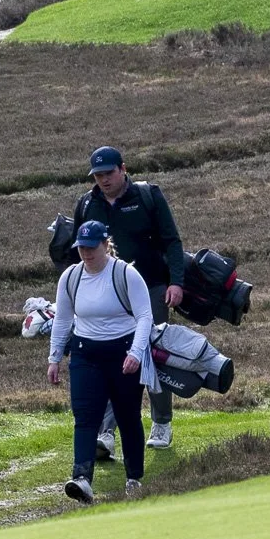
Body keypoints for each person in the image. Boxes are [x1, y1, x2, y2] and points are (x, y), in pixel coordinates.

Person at [69, 146, 186, 453]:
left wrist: (176, 283)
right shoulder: (86, 204)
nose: (103, 180)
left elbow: (172, 241)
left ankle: (162, 422)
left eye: (108, 173)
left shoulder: (148, 196)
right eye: (98, 175)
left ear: (123, 169)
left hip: (151, 287)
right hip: (110, 295)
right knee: (110, 356)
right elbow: (79, 250)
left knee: (153, 352)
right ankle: (106, 432)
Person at [46, 220, 155, 504]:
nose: (86, 253)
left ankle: (134, 478)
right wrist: (54, 358)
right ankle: (82, 479)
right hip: (85, 353)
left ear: (106, 245)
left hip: (123, 353)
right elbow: (63, 319)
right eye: (81, 247)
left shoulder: (126, 274)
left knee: (128, 415)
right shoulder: (70, 277)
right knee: (85, 417)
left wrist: (136, 353)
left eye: (92, 247)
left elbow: (145, 316)